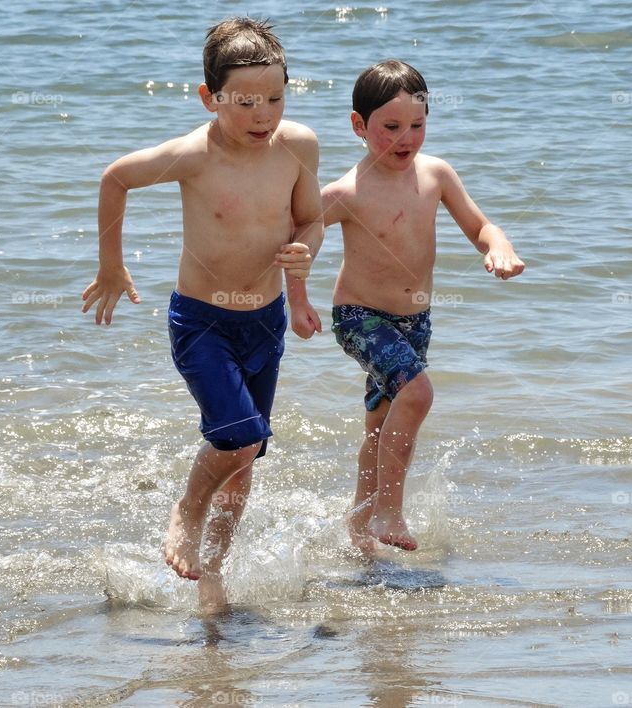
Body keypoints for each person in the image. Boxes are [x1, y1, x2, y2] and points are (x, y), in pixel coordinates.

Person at [81, 17, 323, 608]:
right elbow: (116, 178)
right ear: (209, 98)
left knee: (245, 461)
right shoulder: (193, 155)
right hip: (202, 322)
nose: (263, 114)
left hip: (263, 322)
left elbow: (311, 219)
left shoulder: (298, 147)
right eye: (245, 102)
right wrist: (112, 266)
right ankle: (186, 513)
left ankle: (212, 574)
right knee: (240, 436)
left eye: (275, 98)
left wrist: (305, 254)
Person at [322, 60, 524, 555]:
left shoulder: (436, 174)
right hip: (358, 318)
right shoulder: (345, 193)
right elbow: (291, 238)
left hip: (415, 321)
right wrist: (290, 294)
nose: (405, 137)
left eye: (417, 124)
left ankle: (358, 530)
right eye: (390, 127)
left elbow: (481, 226)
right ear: (358, 126)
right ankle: (390, 509)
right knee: (417, 394)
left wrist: (499, 248)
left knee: (381, 422)